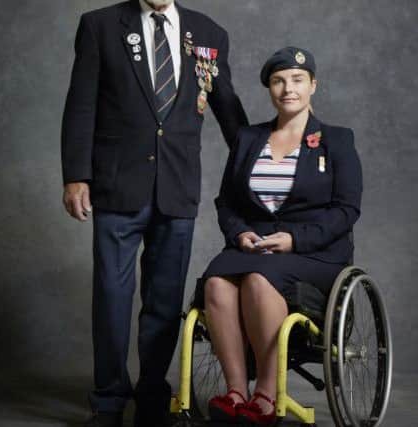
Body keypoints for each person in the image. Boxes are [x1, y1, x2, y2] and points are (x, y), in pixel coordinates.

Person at [61, 0, 248, 425]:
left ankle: (151, 396)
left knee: (164, 304)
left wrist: (261, 161)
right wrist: (76, 175)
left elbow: (229, 110)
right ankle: (108, 400)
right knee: (112, 297)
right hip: (116, 186)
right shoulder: (100, 26)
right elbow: (81, 106)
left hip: (177, 188)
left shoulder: (209, 33)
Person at [201, 46, 363, 426]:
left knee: (259, 281)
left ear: (313, 85)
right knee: (217, 284)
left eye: (296, 80)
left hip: (315, 254)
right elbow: (226, 202)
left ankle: (265, 397)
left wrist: (295, 240)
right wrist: (239, 233)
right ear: (269, 89)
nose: (287, 88)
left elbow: (346, 210)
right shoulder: (248, 138)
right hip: (254, 247)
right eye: (278, 81)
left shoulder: (336, 140)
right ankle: (236, 392)